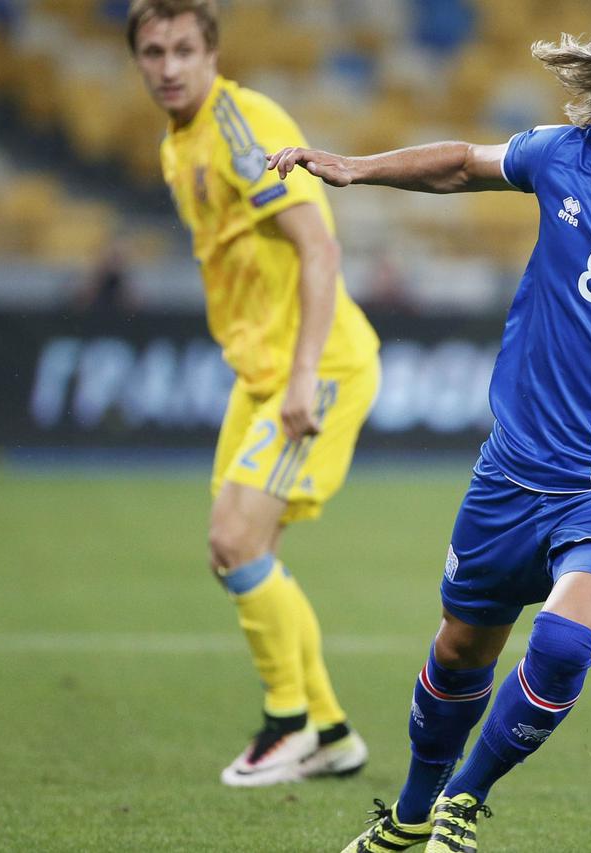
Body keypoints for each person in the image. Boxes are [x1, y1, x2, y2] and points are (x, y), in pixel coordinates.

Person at [269, 13, 591, 852]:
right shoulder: (561, 156)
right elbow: (462, 166)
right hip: (512, 473)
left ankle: (462, 806)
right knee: (461, 647)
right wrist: (355, 169)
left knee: (562, 636)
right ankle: (406, 816)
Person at [128, 0, 378, 787]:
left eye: (182, 50)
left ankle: (289, 722)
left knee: (235, 541)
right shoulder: (179, 143)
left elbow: (319, 247)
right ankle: (331, 731)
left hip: (317, 368)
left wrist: (304, 374)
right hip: (262, 371)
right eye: (152, 51)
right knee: (241, 549)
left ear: (211, 54)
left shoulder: (242, 127)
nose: (167, 66)